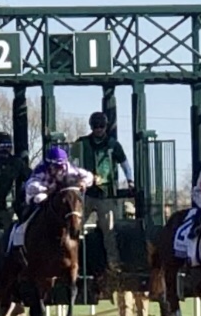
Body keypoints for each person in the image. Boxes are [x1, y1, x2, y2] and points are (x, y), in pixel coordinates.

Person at [72, 111, 134, 272]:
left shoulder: (113, 144)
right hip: (84, 194)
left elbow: (125, 163)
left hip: (106, 195)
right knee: (74, 228)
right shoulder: (81, 143)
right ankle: (69, 260)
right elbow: (71, 163)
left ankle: (113, 264)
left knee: (109, 232)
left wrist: (130, 180)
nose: (98, 129)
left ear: (105, 127)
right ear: (91, 127)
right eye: (95, 126)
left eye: (101, 126)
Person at [9, 146, 93, 256]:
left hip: (61, 197)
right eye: (56, 166)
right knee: (40, 198)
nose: (60, 169)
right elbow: (30, 186)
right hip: (42, 196)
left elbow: (89, 176)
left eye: (62, 166)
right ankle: (19, 234)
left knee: (72, 201)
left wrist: (83, 182)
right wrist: (47, 188)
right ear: (49, 164)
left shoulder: (70, 169)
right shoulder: (41, 170)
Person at [0, 132, 32, 231]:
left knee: (8, 232)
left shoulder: (16, 162)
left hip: (8, 208)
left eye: (8, 146)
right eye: (2, 146)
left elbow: (30, 177)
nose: (6, 149)